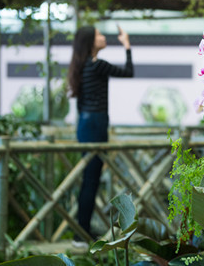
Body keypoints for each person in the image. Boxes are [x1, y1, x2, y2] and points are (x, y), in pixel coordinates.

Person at [67, 25, 133, 245]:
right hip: (96, 124)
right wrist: (127, 46)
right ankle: (81, 235)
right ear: (90, 41)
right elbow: (128, 72)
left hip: (85, 123)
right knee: (91, 180)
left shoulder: (82, 65)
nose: (103, 37)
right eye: (98, 35)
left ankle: (81, 231)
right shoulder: (98, 66)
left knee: (89, 178)